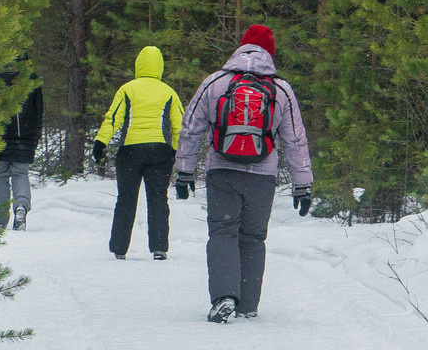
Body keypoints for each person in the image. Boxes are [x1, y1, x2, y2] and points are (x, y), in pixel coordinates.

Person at [171, 24, 312, 323]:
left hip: (222, 170)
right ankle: (247, 304)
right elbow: (295, 140)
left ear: (241, 47)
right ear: (270, 53)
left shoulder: (216, 82)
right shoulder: (281, 89)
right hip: (262, 176)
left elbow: (191, 127)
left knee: (222, 232)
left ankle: (224, 297)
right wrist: (303, 184)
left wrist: (183, 171)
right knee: (253, 237)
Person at [91, 45, 184, 260]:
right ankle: (159, 248)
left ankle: (119, 248)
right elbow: (179, 126)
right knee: (159, 198)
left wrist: (100, 141)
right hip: (160, 151)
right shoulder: (169, 92)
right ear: (160, 66)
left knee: (126, 198)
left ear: (138, 64)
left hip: (130, 151)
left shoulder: (127, 89)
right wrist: (179, 154)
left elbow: (112, 119)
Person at [0, 70, 43, 231]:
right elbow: (39, 110)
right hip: (26, 136)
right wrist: (36, 135)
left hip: (0, 135)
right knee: (20, 174)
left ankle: (0, 217)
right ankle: (21, 207)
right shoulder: (32, 78)